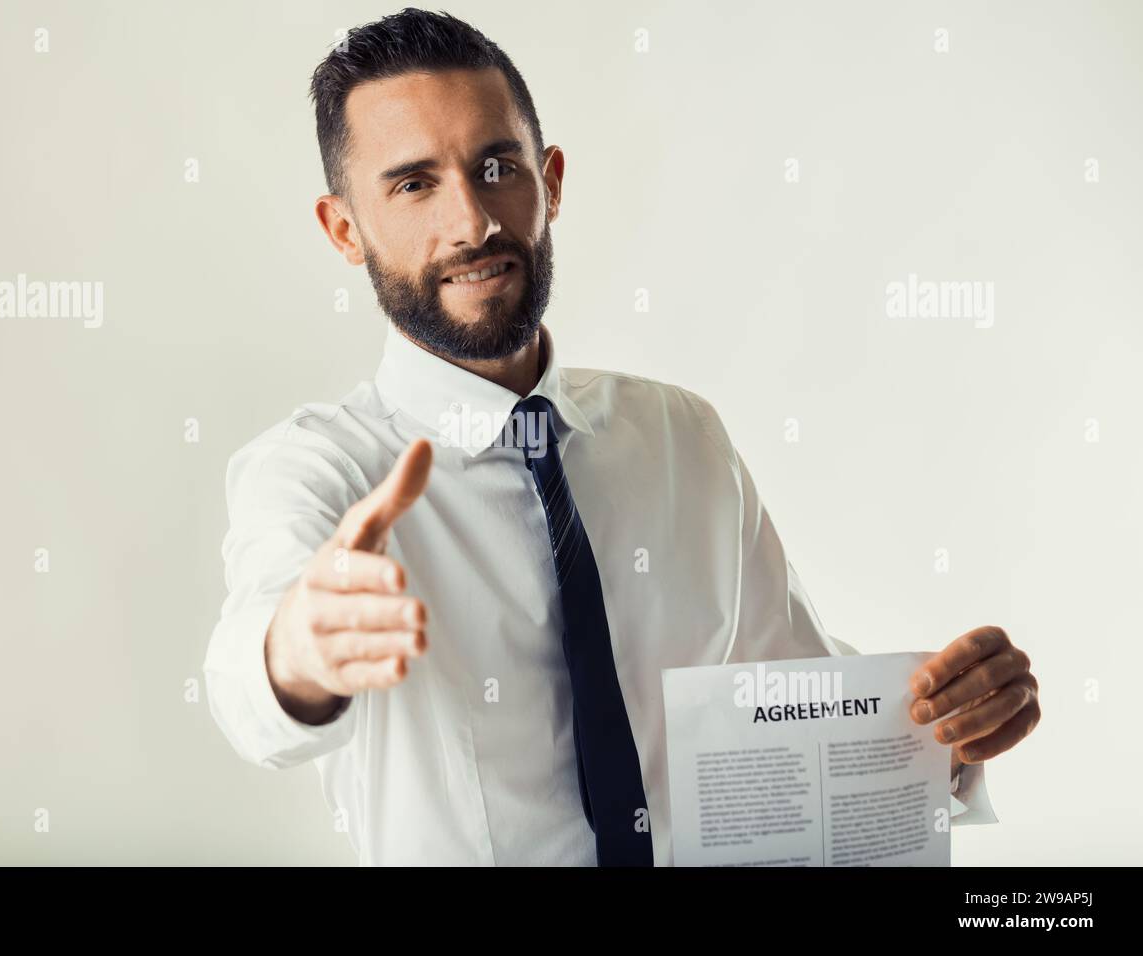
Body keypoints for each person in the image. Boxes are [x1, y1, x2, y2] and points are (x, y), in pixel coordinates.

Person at [203, 7, 1039, 866]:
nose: (473, 222)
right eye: (414, 184)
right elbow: (245, 685)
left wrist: (946, 732)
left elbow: (794, 714)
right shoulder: (315, 473)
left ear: (551, 179)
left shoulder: (682, 439)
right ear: (345, 229)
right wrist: (296, 652)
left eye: (497, 167)